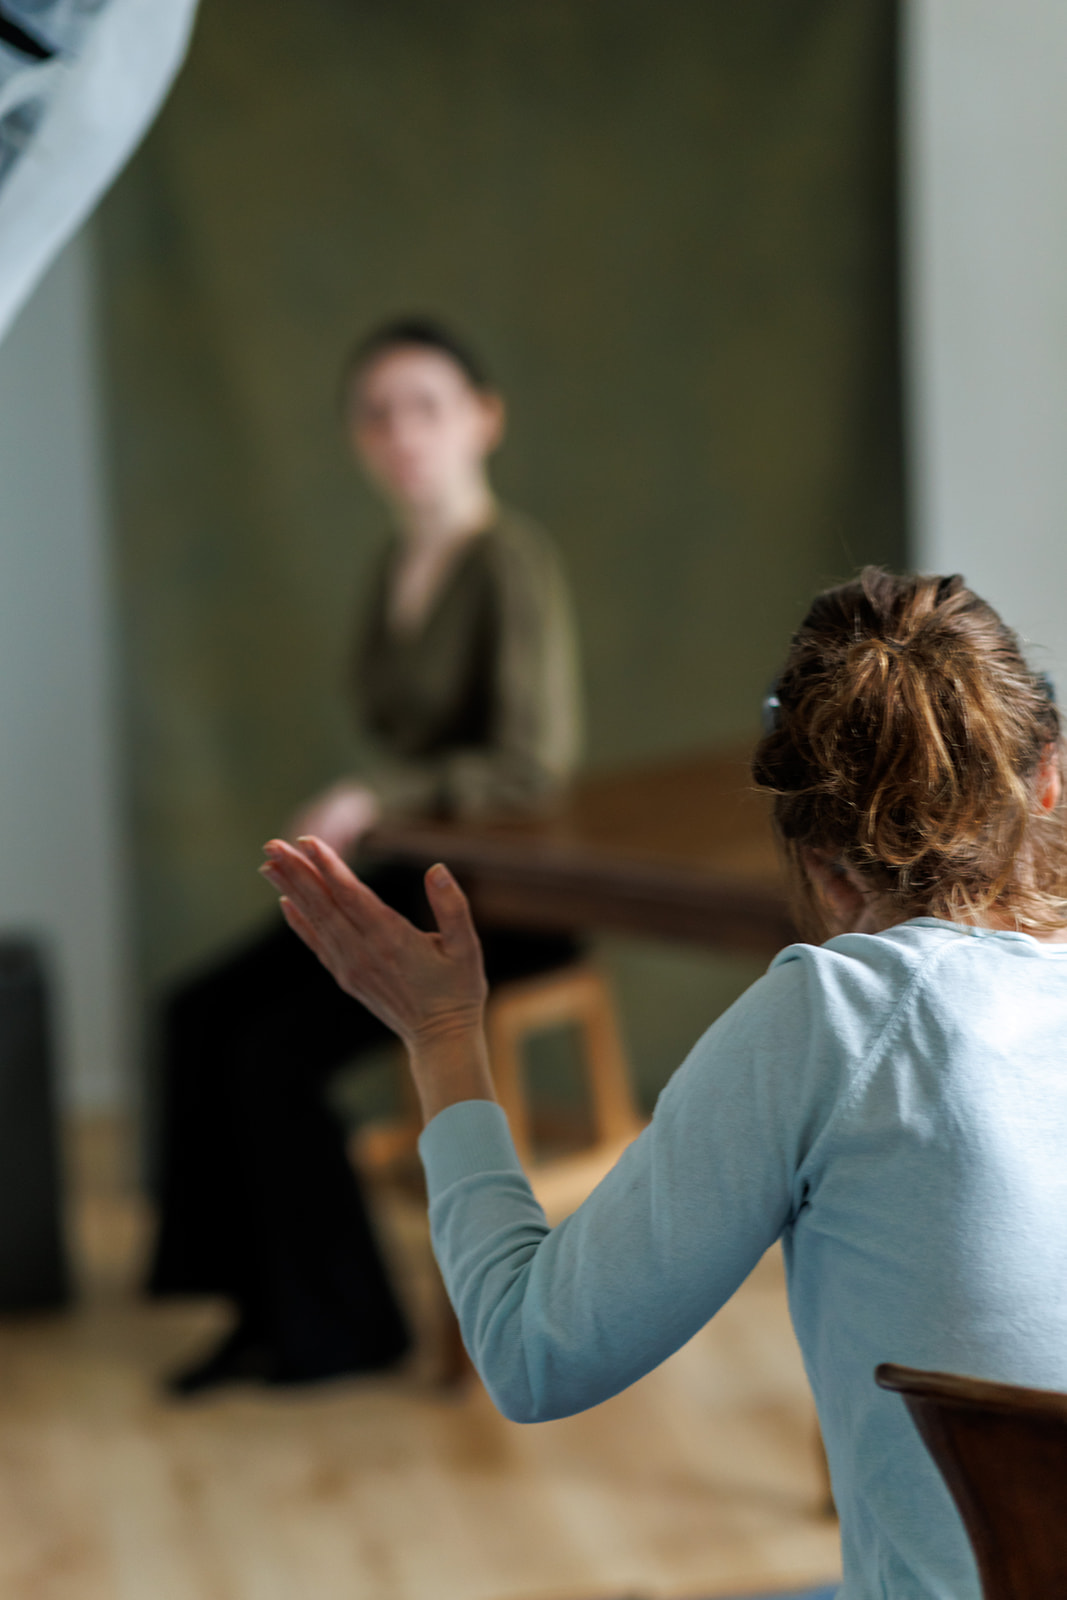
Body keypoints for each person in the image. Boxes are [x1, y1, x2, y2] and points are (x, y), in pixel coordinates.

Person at [260, 568, 1067, 1600]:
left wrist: (443, 1032)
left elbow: (530, 1354)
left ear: (816, 854)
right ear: (1045, 776)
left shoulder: (833, 1017)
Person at [148, 317, 583, 1395]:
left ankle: (339, 1325)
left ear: (483, 419)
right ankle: (258, 1299)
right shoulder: (397, 559)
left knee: (268, 1053)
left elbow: (532, 765)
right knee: (196, 1013)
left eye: (424, 407)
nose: (400, 433)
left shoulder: (507, 562)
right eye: (376, 413)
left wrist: (374, 798)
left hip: (492, 905)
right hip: (408, 873)